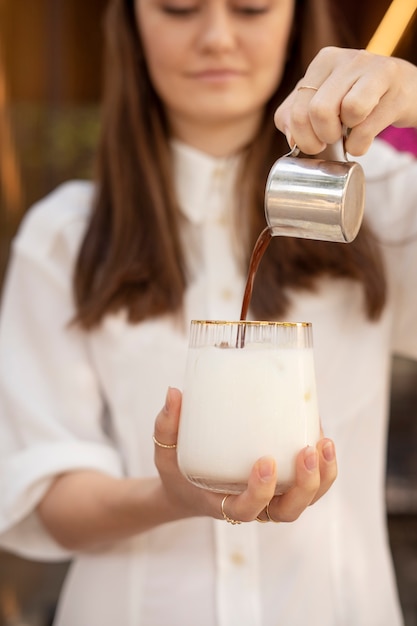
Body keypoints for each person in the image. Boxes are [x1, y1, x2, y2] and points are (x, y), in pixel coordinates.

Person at [0, 0, 417, 623]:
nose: (217, 37)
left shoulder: (385, 202)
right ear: (132, 24)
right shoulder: (65, 236)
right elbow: (49, 494)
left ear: (296, 22)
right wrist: (173, 496)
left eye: (251, 9)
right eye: (179, 9)